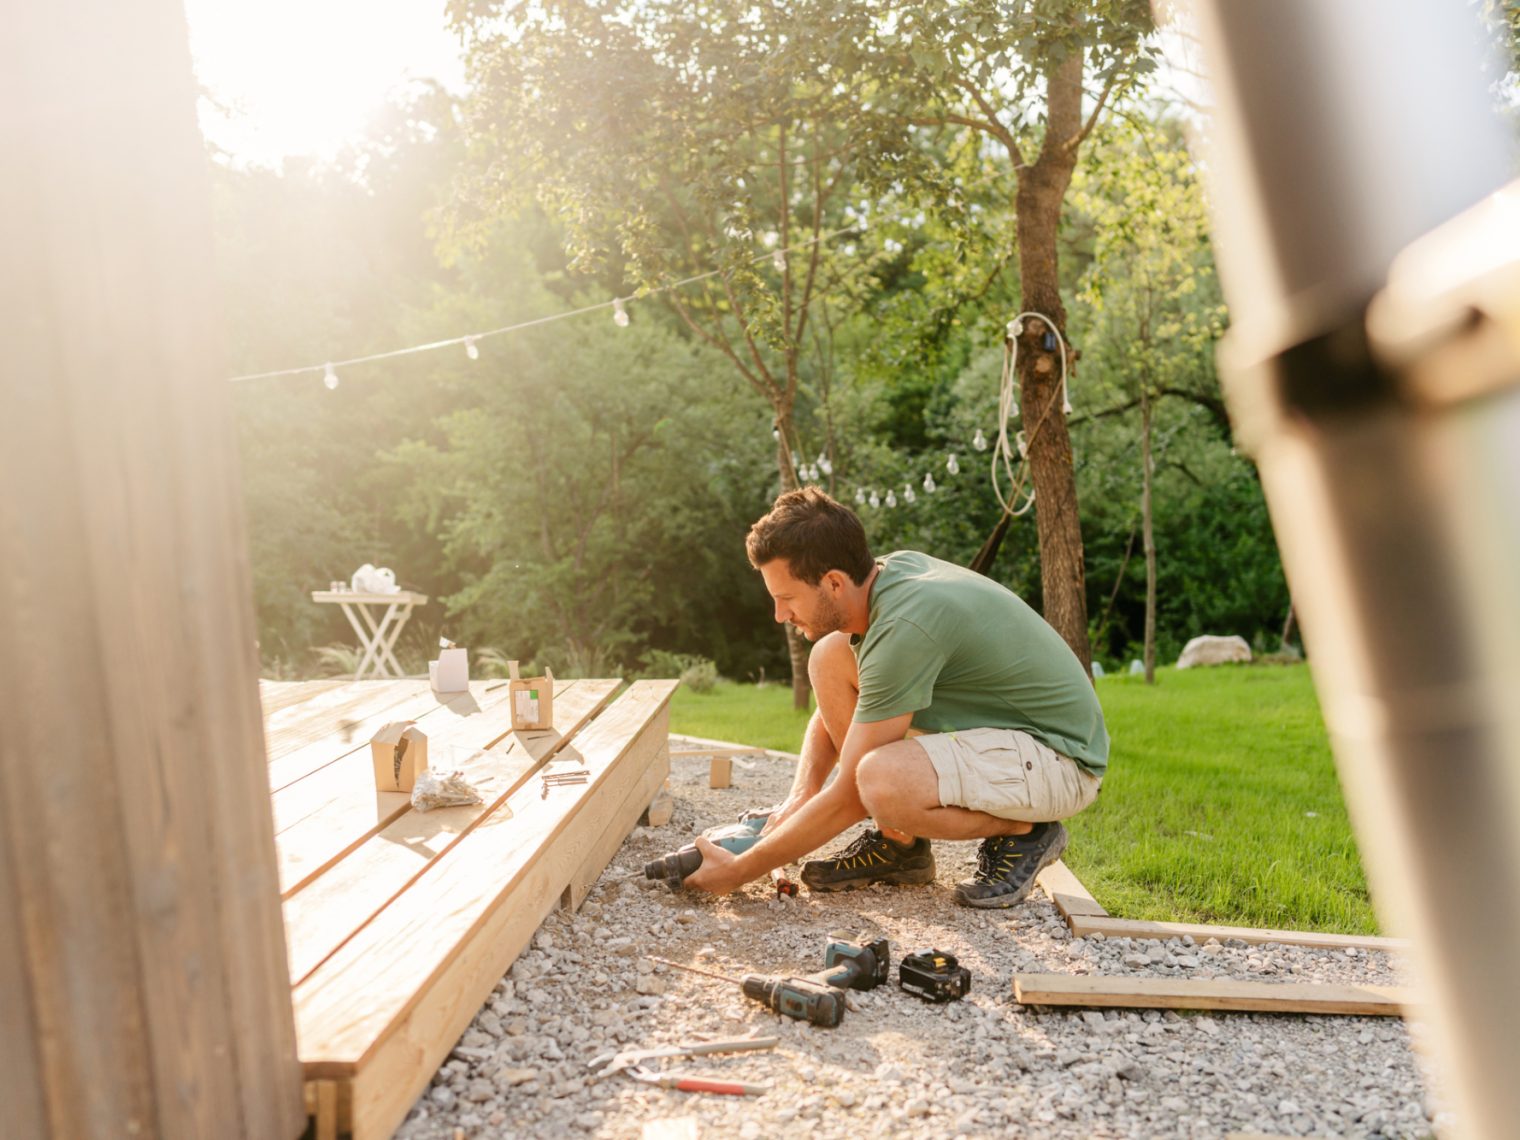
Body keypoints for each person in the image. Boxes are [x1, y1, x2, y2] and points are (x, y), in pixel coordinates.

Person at [684, 487, 1108, 908]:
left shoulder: (904, 627)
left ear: (833, 582)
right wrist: (801, 795)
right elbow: (850, 705)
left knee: (880, 781)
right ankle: (900, 848)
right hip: (1016, 741)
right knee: (828, 657)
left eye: (787, 598)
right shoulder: (884, 581)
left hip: (1062, 759)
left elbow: (851, 795)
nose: (780, 615)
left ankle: (1027, 831)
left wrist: (740, 871)